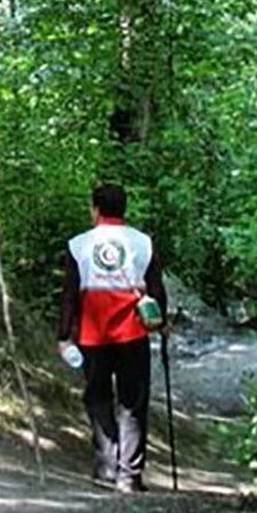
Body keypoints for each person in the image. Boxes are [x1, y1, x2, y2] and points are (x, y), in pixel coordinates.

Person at [58, 183, 168, 493]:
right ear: (124, 209)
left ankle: (106, 466)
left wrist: (64, 334)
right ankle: (129, 475)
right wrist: (162, 322)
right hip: (133, 332)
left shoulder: (79, 244)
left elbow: (69, 295)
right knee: (132, 402)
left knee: (98, 397)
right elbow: (156, 287)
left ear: (95, 208)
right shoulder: (142, 242)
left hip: (94, 334)